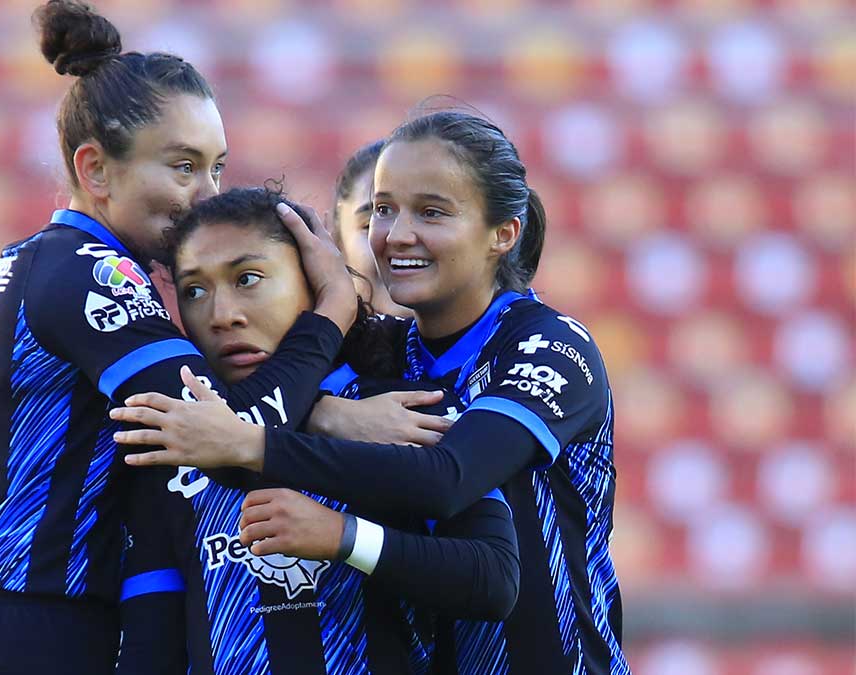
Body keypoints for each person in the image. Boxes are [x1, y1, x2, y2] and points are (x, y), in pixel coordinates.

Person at [113, 111, 631, 675]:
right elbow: (290, 376)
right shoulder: (383, 356)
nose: (397, 234)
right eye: (383, 210)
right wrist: (325, 413)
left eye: (431, 212)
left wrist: (254, 445)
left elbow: (446, 481)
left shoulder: (549, 345)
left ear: (503, 234)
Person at [0, 3, 360, 673]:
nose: (207, 195)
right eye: (184, 166)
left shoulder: (47, 259)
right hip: (43, 631)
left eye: (217, 167)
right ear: (96, 170)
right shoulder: (91, 272)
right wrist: (333, 313)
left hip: (29, 626)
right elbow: (230, 435)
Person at [115, 187, 519, 675]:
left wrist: (345, 537)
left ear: (313, 283)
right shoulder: (172, 437)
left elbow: (493, 580)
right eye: (194, 291)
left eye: (248, 278)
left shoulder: (400, 410)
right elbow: (150, 639)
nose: (222, 315)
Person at [332, 140, 410, 317]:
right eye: (371, 224)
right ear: (337, 243)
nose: (400, 237)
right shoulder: (310, 342)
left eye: (430, 214)